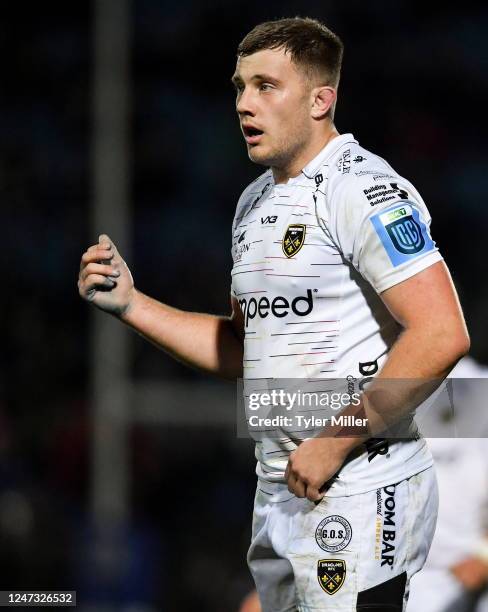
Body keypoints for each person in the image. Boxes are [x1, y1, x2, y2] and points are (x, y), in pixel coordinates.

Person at [78, 17, 470, 611]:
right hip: (282, 488)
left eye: (266, 86)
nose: (243, 103)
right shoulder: (254, 202)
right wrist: (132, 304)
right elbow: (243, 349)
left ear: (321, 99)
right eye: (239, 87)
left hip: (361, 484)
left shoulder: (362, 189)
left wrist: (337, 440)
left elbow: (442, 333)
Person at [408, 356, 488, 612]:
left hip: (449, 576)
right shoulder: (370, 372)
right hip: (381, 567)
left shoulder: (478, 382)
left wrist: (484, 556)